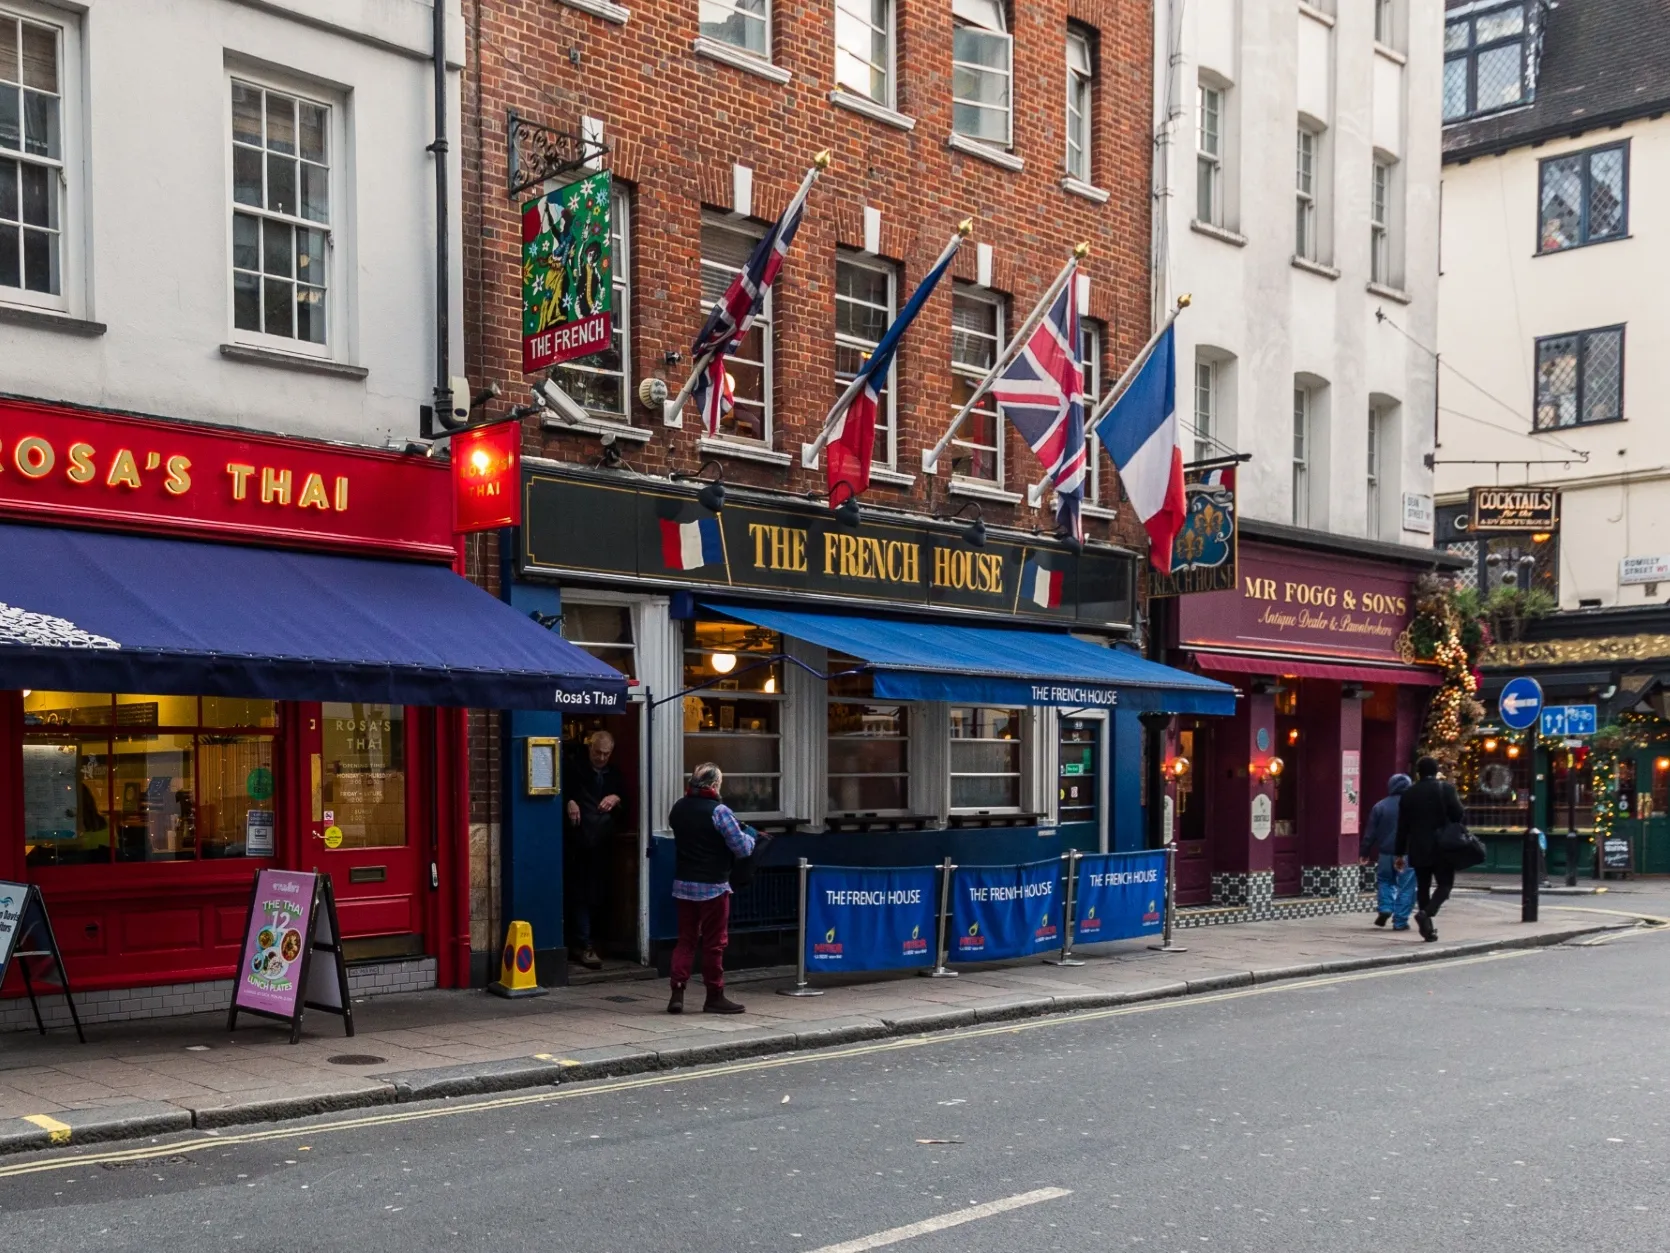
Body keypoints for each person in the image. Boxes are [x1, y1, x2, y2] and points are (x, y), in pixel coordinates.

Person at [666, 762, 758, 1015]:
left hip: (683, 884)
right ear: (715, 784)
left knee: (685, 940)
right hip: (713, 887)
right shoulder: (720, 812)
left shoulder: (679, 808)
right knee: (714, 944)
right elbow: (742, 849)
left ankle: (677, 992)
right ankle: (714, 996)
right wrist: (750, 835)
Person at [563, 729, 628, 971]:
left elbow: (627, 808)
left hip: (604, 845)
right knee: (580, 895)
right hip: (578, 844)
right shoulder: (574, 769)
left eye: (606, 754)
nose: (601, 758)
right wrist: (568, 801)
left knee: (598, 896)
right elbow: (558, 792)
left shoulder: (615, 775)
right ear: (589, 748)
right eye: (598, 752)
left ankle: (593, 942)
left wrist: (616, 798)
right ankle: (583, 943)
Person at [1394, 755, 1465, 942]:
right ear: (1436, 772)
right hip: (1443, 846)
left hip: (1418, 847)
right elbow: (1458, 814)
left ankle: (1428, 930)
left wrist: (1399, 853)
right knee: (1445, 884)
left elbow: (1402, 827)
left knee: (1423, 887)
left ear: (1419, 773)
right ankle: (1427, 913)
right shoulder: (1446, 789)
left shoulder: (1408, 794)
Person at [1361, 773, 1415, 932]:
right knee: (1406, 886)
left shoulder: (1380, 806)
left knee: (1385, 881)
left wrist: (1364, 851)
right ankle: (1400, 921)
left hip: (1385, 854)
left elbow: (1370, 833)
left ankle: (1385, 907)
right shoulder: (1414, 807)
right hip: (1404, 854)